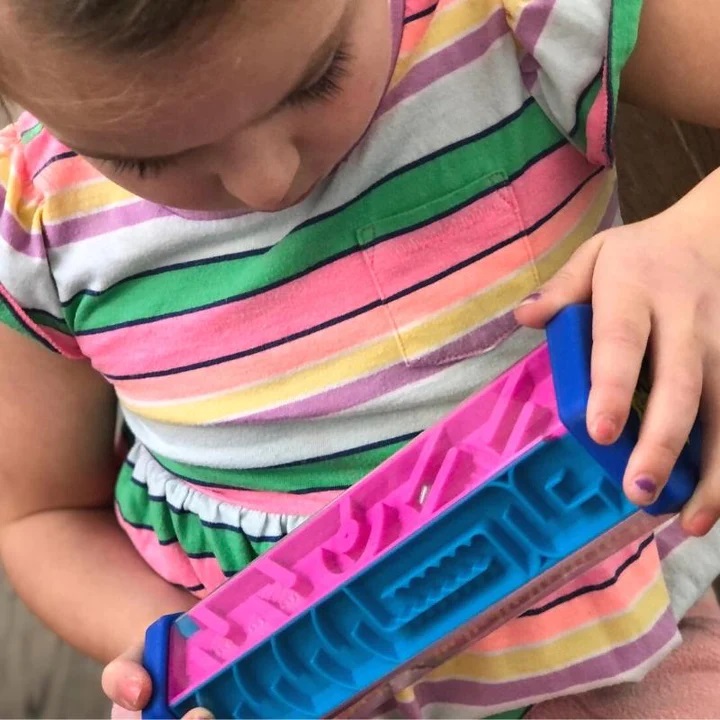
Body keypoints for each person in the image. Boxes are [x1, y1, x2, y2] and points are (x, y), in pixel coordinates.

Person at [0, 0, 719, 717]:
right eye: (148, 157)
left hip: (608, 646)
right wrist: (182, 664)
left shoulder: (512, 19)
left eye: (320, 76)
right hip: (281, 694)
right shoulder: (33, 227)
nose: (267, 182)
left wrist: (699, 239)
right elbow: (41, 514)